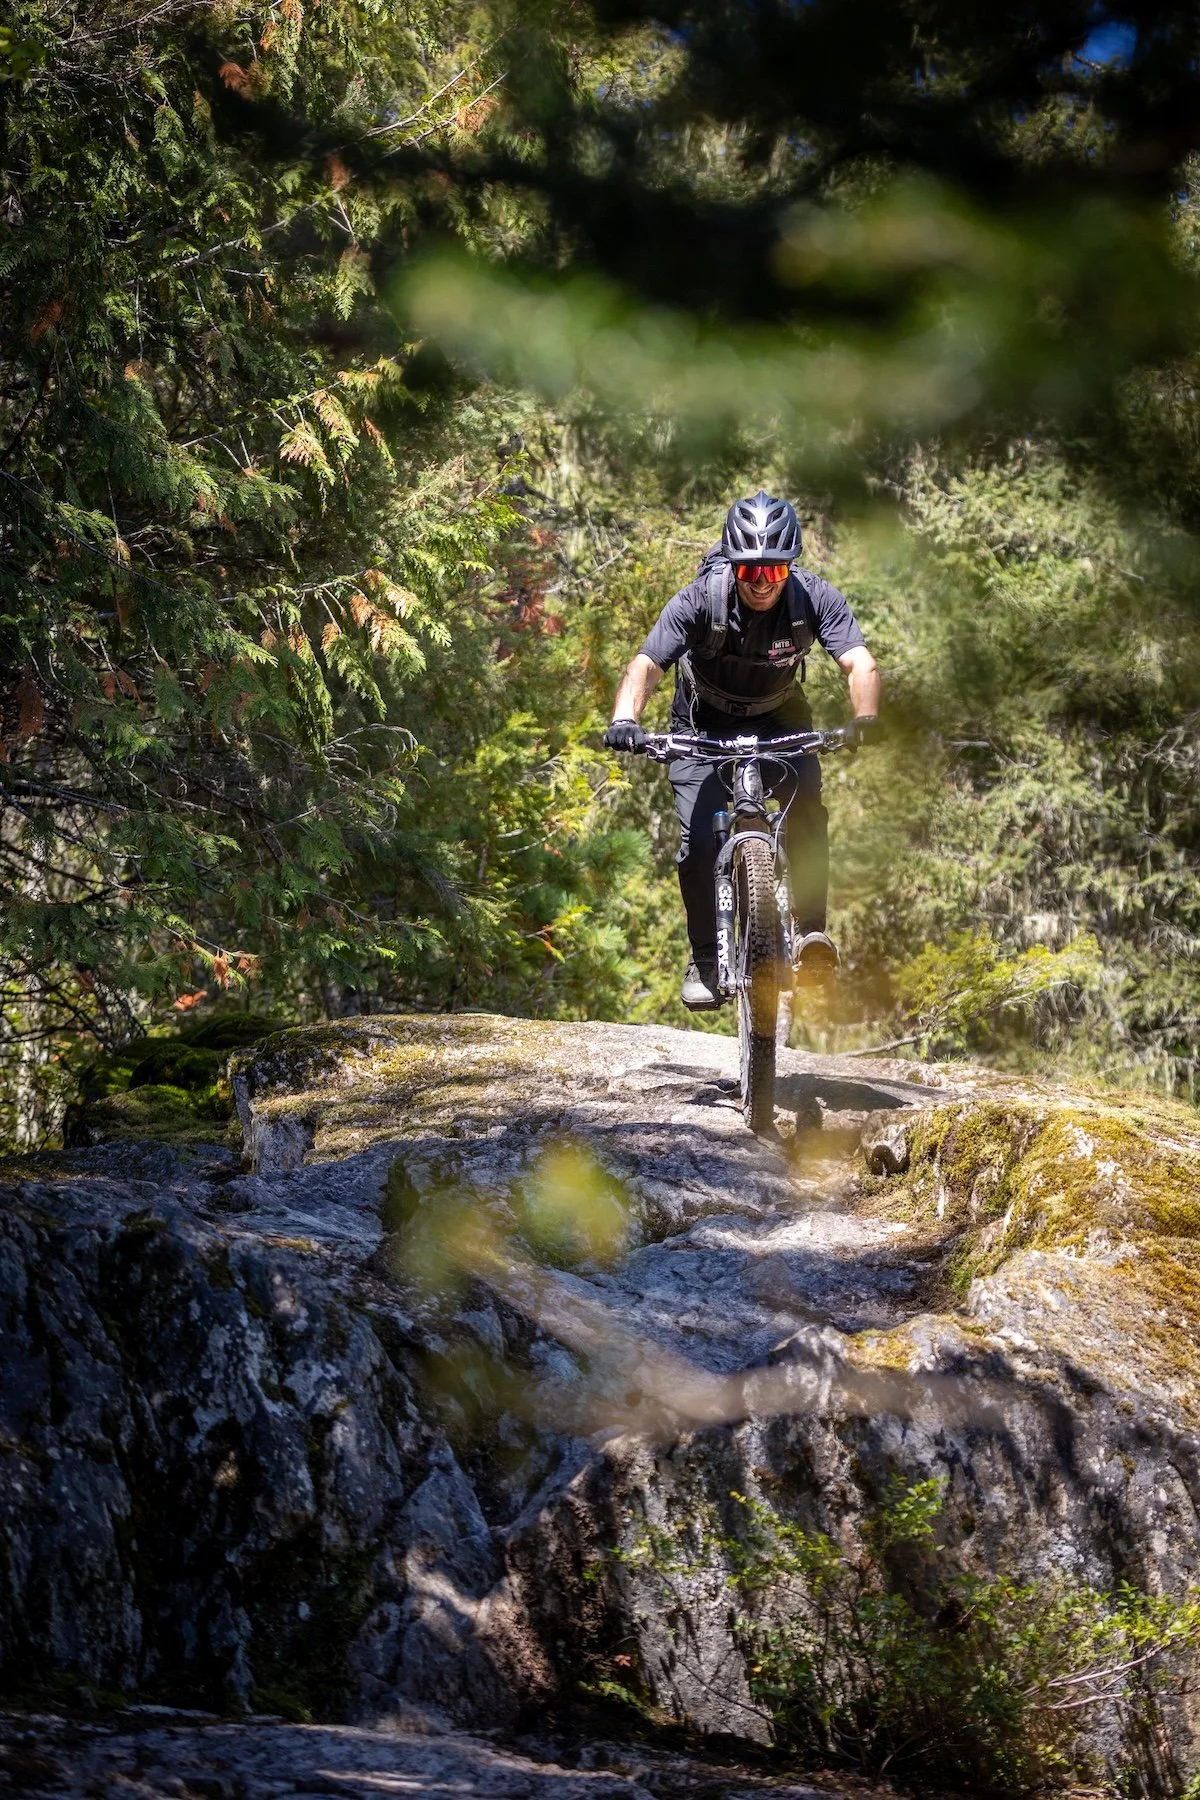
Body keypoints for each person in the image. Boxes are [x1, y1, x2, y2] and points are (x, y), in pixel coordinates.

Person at [604, 491, 881, 1010]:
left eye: (773, 573)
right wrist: (626, 719)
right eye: (749, 571)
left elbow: (859, 663)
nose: (760, 583)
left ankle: (811, 934)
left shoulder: (814, 598)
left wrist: (865, 718)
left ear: (789, 568)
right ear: (732, 566)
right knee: (698, 841)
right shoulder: (698, 600)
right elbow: (646, 664)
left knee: (806, 817)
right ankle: (707, 960)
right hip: (701, 721)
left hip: (780, 714)